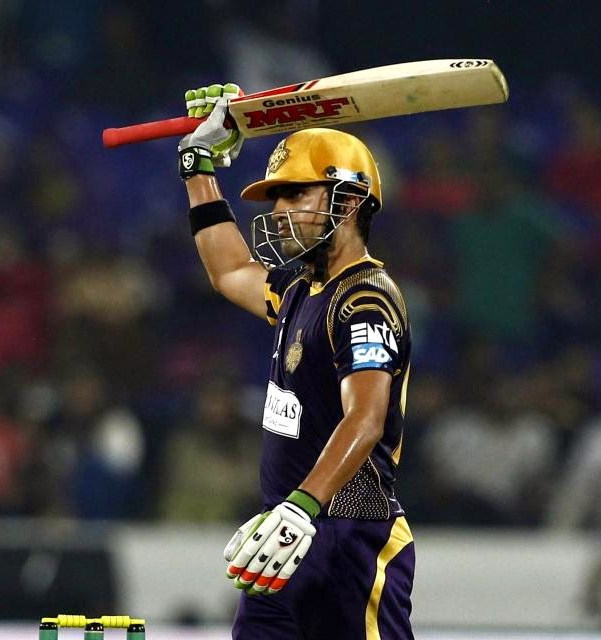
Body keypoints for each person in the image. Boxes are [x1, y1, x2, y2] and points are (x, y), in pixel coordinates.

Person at [176, 84, 415, 639]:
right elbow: (229, 271)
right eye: (276, 199)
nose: (278, 212)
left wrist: (302, 506)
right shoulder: (299, 289)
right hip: (286, 531)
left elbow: (366, 418)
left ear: (348, 203)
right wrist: (196, 163)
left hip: (352, 533)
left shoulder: (365, 299)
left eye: (294, 195)